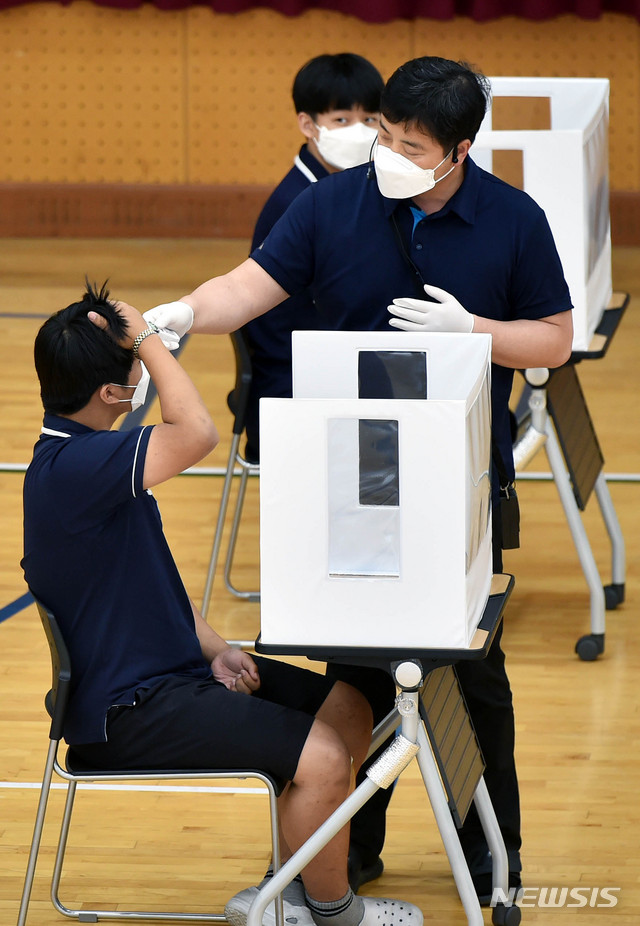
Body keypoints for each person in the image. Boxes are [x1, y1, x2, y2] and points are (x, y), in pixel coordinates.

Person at [144, 55, 574, 905]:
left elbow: (555, 341)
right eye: (383, 133)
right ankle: (345, 853)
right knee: (356, 672)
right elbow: (248, 287)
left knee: (470, 677)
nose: (386, 152)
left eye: (409, 144)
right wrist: (187, 312)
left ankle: (496, 854)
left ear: (457, 151)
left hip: (460, 479)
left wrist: (476, 332)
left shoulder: (513, 220)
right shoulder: (331, 205)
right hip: (355, 474)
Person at [21, 282, 424, 926]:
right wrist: (151, 339)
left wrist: (215, 648)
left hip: (167, 676)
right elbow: (199, 431)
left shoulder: (88, 460)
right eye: (135, 368)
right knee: (321, 758)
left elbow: (152, 588)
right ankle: (334, 912)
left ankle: (286, 886)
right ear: (113, 396)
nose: (145, 372)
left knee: (346, 708)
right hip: (127, 711)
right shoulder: (79, 466)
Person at [243, 52, 384, 461]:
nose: (359, 131)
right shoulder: (300, 202)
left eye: (371, 119)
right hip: (296, 384)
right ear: (308, 124)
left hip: (328, 359)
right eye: (341, 120)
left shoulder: (349, 185)